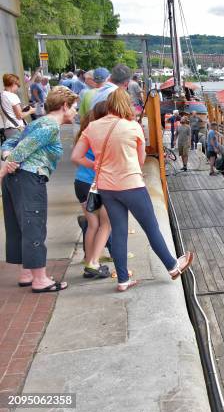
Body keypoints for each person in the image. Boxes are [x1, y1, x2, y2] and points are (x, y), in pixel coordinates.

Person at [72, 89, 193, 292]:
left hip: (107, 188)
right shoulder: (132, 127)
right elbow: (140, 159)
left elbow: (76, 156)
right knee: (151, 228)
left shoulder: (92, 127)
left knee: (118, 232)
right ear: (126, 105)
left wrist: (96, 165)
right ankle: (173, 267)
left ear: (109, 105)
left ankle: (122, 279)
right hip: (131, 185)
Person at [0, 86, 78, 292]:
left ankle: (27, 273)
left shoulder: (38, 123)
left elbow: (12, 142)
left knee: (18, 226)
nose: (75, 112)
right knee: (34, 225)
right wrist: (8, 163)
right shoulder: (51, 126)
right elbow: (23, 149)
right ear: (64, 106)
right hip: (29, 179)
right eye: (74, 107)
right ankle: (40, 279)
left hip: (14, 181)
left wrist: (7, 155)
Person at [72, 101, 112, 279]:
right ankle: (93, 262)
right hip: (94, 185)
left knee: (92, 225)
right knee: (106, 224)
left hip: (80, 183)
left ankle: (88, 262)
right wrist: (98, 167)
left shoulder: (84, 133)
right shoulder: (100, 134)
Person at [1, 74, 35, 142]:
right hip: (17, 129)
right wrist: (30, 111)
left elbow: (9, 111)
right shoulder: (12, 96)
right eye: (18, 85)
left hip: (8, 130)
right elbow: (20, 116)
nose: (18, 88)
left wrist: (22, 110)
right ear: (13, 84)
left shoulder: (2, 95)